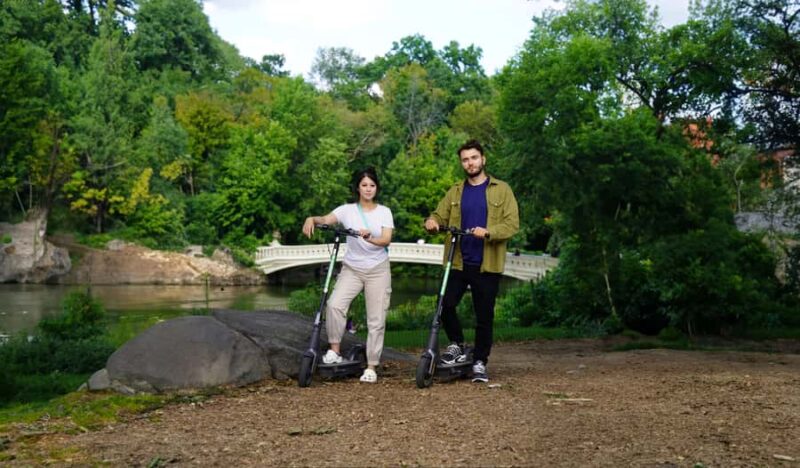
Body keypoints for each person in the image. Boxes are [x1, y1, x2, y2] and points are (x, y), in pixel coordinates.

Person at [424, 139, 519, 383]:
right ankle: (456, 344)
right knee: (444, 305)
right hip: (458, 261)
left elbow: (511, 224)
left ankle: (479, 361)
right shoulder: (456, 191)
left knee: (484, 316)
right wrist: (432, 222)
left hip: (487, 263)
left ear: (483, 159)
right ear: (462, 163)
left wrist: (488, 232)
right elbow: (437, 214)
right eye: (465, 159)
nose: (470, 163)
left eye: (474, 158)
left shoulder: (502, 189)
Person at [302, 168, 393, 384]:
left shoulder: (384, 212)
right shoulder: (347, 210)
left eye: (372, 185)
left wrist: (370, 237)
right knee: (334, 305)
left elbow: (386, 239)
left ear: (376, 188)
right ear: (358, 188)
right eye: (364, 185)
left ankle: (371, 366)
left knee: (376, 319)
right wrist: (311, 219)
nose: (368, 189)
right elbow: (325, 218)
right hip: (352, 268)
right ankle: (335, 350)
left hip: (377, 269)